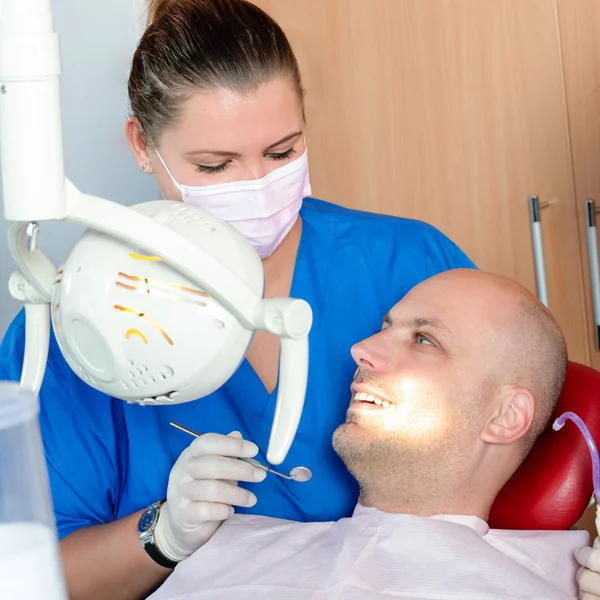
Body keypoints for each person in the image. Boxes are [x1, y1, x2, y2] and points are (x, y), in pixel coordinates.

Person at [0, 1, 476, 599]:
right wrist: (163, 535)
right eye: (215, 164)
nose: (257, 185)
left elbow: (523, 422)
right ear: (142, 145)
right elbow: (37, 576)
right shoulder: (69, 326)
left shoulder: (408, 264)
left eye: (282, 153)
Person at [147, 269, 586, 600]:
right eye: (384, 328)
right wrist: (162, 538)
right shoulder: (232, 540)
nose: (362, 349)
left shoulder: (555, 583)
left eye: (424, 340)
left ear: (506, 416)